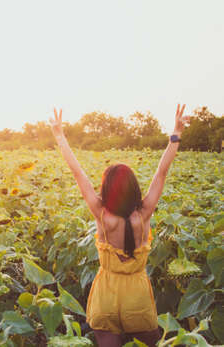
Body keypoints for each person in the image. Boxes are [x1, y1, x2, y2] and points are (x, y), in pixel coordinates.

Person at [48, 104, 189, 347]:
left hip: (106, 297)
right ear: (134, 188)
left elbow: (79, 175)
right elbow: (161, 173)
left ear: (107, 190)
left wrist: (60, 137)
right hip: (137, 297)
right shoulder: (144, 214)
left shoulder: (103, 216)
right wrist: (175, 134)